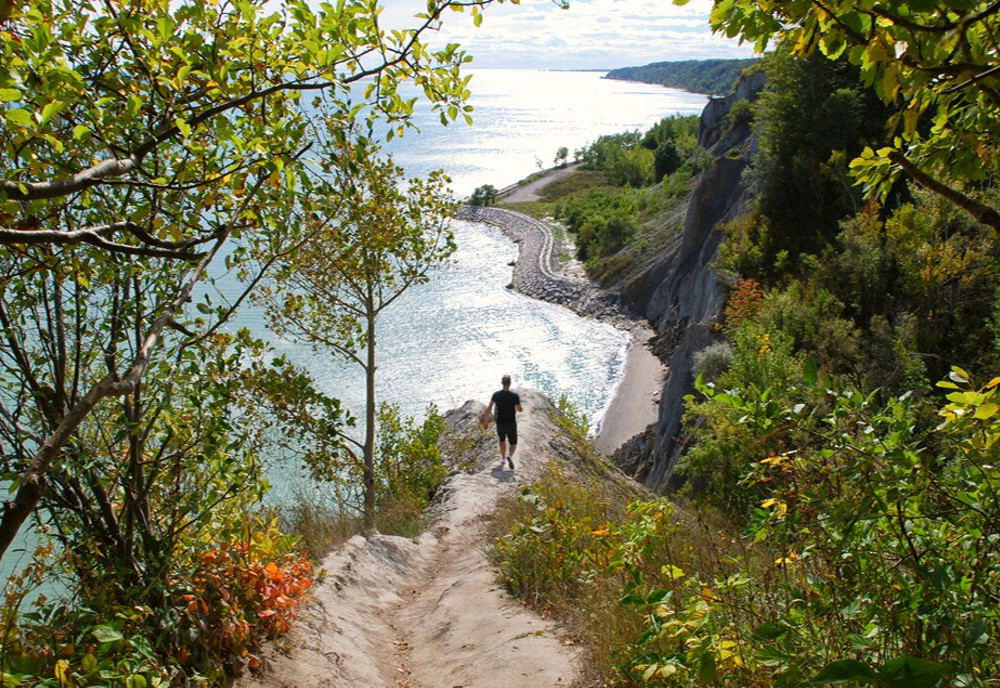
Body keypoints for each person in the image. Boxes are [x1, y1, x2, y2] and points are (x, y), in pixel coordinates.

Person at [485, 374, 522, 470]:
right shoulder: (514, 396)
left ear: (502, 383)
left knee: (502, 440)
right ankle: (510, 455)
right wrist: (518, 406)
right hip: (511, 423)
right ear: (510, 383)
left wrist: (486, 421)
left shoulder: (496, 395)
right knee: (513, 443)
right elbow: (519, 409)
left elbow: (489, 408)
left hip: (500, 422)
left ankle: (503, 459)